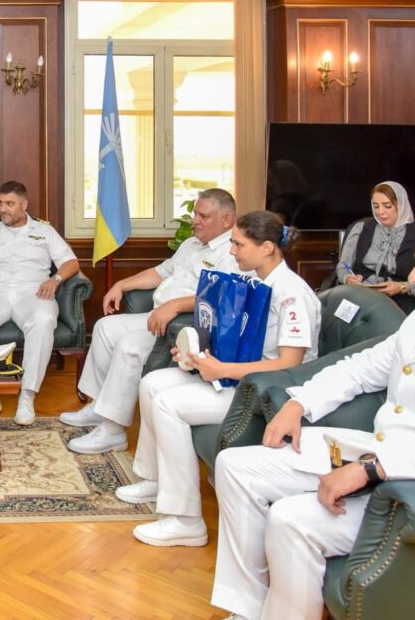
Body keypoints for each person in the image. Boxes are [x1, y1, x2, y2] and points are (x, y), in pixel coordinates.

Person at [211, 216, 415, 620]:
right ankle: (248, 607)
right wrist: (300, 404)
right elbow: (362, 367)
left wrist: (373, 468)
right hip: (373, 453)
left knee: (290, 519)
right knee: (234, 466)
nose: (413, 275)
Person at [119, 211, 321, 547]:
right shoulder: (253, 282)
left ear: (267, 247)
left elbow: (289, 364)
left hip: (267, 390)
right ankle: (156, 480)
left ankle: (186, 520)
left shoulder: (291, 294)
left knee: (168, 404)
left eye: (239, 244)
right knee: (152, 383)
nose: (232, 251)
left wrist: (222, 370)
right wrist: (198, 355)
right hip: (240, 376)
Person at [63, 188, 240, 454]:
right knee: (104, 328)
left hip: (184, 324)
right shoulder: (191, 244)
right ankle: (99, 407)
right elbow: (160, 272)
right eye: (195, 214)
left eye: (203, 216)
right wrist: (121, 284)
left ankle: (112, 431)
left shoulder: (232, 252)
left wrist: (175, 306)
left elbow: (223, 298)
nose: (195, 221)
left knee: (129, 346)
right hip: (158, 315)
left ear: (226, 220)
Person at [0, 181, 80, 425]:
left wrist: (55, 279)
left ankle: (27, 395)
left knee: (43, 319)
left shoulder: (44, 231)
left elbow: (71, 262)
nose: (3, 209)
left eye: (9, 204)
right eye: (0, 203)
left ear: (24, 205)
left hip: (32, 295)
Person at [335, 180, 415, 313]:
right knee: (340, 319)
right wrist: (348, 278)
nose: (380, 212)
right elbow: (343, 266)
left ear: (401, 205)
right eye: (376, 206)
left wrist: (402, 287)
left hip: (401, 300)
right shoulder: (360, 229)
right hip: (361, 295)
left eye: (387, 206)